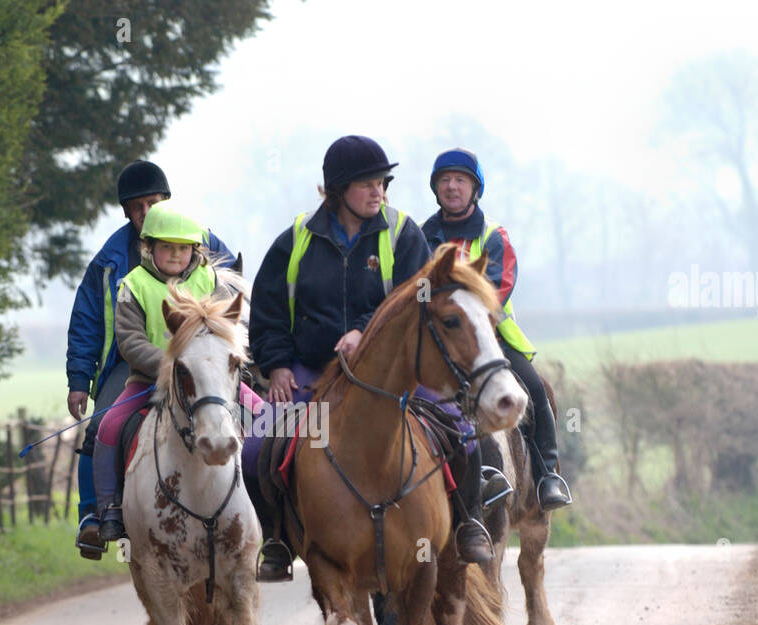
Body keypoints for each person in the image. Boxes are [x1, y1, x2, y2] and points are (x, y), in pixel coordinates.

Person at [245, 135, 493, 581]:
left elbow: (416, 295)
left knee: (461, 429)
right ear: (339, 190)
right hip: (313, 373)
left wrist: (365, 328)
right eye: (367, 184)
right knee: (258, 445)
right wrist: (277, 364)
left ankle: (468, 521)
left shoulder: (403, 233)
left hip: (395, 370)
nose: (378, 191)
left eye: (382, 182)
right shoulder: (297, 239)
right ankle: (277, 539)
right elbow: (267, 310)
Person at [66, 160, 233, 558]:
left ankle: (266, 513)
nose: (146, 212)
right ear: (126, 211)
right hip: (132, 364)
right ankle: (96, 514)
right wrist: (78, 379)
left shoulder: (205, 245)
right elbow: (88, 319)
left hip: (206, 362)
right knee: (101, 426)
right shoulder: (110, 262)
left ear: (167, 200)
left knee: (259, 418)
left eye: (153, 202)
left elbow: (232, 304)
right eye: (137, 206)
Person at [93, 202, 262, 542]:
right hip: (150, 378)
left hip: (214, 381)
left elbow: (224, 332)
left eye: (182, 248)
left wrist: (208, 367)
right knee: (107, 427)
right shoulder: (133, 285)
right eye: (166, 247)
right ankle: (110, 507)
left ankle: (271, 501)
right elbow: (129, 340)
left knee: (269, 418)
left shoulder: (210, 279)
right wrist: (171, 367)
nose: (174, 255)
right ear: (148, 247)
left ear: (195, 249)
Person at [421, 147, 572, 511]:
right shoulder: (421, 236)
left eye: (460, 180)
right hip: (438, 339)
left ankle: (546, 473)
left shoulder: (494, 236)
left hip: (491, 336)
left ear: (475, 189)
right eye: (445, 181)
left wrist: (457, 304)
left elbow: (496, 290)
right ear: (436, 188)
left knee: (534, 387)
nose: (452, 187)